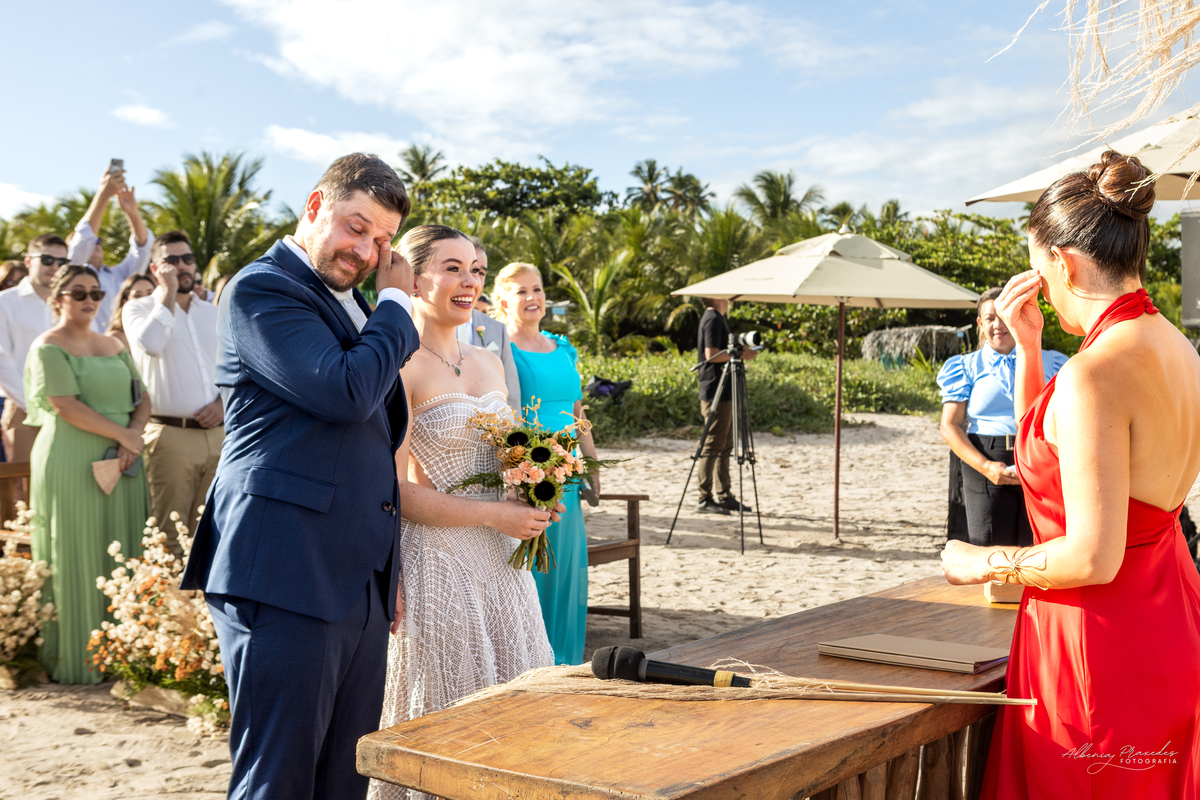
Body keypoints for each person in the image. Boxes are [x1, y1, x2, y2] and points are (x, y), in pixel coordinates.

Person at [941, 151, 1200, 798]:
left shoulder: (1093, 373)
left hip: (1097, 639)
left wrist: (980, 562)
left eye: (1039, 273)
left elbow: (1091, 556)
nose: (1041, 291)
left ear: (1065, 264)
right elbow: (1057, 447)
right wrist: (1030, 349)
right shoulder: (1175, 346)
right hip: (1171, 610)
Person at [179, 153, 420, 800]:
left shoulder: (355, 306)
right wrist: (398, 302)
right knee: (278, 781)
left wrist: (386, 570)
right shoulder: (261, 289)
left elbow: (371, 442)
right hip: (283, 571)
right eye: (356, 227)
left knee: (343, 781)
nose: (366, 251)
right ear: (314, 206)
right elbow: (346, 391)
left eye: (382, 240)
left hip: (355, 580)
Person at [372, 230, 554, 800]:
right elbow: (393, 491)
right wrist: (493, 515)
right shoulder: (399, 368)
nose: (470, 281)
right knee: (451, 722)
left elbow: (512, 457)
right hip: (440, 562)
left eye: (476, 269)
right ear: (414, 278)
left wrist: (539, 487)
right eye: (452, 268)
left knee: (517, 716)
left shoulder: (489, 361)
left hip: (504, 566)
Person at [26, 264, 151, 684]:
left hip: (124, 458)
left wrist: (132, 437)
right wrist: (124, 436)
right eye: (78, 292)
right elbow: (64, 404)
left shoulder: (113, 343)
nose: (89, 300)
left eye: (95, 293)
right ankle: (80, 657)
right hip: (71, 457)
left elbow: (143, 398)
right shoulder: (48, 346)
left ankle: (129, 655)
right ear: (58, 297)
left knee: (123, 545)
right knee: (76, 547)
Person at [495, 260, 597, 666]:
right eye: (521, 291)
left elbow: (577, 411)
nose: (532, 297)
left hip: (568, 475)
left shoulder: (564, 347)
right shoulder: (501, 349)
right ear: (504, 301)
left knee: (565, 569)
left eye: (536, 289)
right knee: (533, 570)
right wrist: (518, 472)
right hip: (529, 475)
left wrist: (591, 462)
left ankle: (566, 661)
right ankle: (532, 661)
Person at [936, 288, 1067, 547]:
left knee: (1038, 548)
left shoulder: (1053, 362)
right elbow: (949, 426)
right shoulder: (964, 367)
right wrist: (986, 466)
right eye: (990, 318)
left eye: (1004, 317)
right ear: (980, 323)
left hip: (1038, 461)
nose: (998, 325)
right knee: (991, 551)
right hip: (984, 462)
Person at [122, 231, 222, 549]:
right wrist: (167, 293)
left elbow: (236, 366)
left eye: (187, 259)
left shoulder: (214, 313)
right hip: (169, 436)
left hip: (219, 435)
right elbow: (151, 344)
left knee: (212, 534)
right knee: (169, 538)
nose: (182, 266)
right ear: (155, 268)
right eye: (172, 260)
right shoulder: (137, 309)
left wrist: (222, 403)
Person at [0, 234, 66, 499]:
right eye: (47, 259)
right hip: (23, 407)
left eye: (62, 261)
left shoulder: (69, 302)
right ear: (28, 261)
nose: (55, 266)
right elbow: (1, 360)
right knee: (21, 488)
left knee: (61, 484)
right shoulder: (5, 301)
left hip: (69, 407)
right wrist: (34, 403)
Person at [66, 165, 154, 332]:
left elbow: (143, 249)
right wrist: (104, 194)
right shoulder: (72, 273)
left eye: (98, 241)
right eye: (92, 241)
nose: (95, 244)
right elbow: (85, 237)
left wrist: (132, 212)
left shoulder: (118, 275)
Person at [695, 297, 757, 515]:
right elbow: (711, 355)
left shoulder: (717, 318)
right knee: (713, 444)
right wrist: (742, 354)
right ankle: (704, 498)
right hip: (716, 391)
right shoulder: (712, 318)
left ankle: (724, 495)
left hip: (725, 390)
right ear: (716, 296)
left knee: (726, 445)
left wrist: (738, 352)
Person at [456, 237, 520, 412]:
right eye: (458, 269)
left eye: (479, 272)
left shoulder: (497, 329)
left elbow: (511, 393)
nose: (473, 280)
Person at [106, 273, 157, 351]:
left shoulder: (165, 327)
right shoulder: (115, 337)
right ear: (125, 301)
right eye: (138, 295)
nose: (145, 299)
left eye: (150, 294)